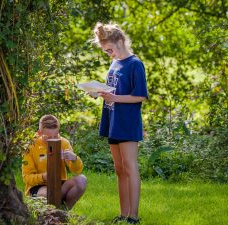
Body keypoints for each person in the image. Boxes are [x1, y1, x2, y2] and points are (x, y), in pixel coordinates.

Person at [93, 22, 148, 224]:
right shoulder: (114, 63)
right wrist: (100, 93)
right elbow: (114, 89)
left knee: (130, 167)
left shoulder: (135, 64)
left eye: (110, 49)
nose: (109, 54)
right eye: (105, 51)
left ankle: (133, 217)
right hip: (112, 119)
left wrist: (114, 98)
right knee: (119, 169)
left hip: (127, 121)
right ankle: (123, 214)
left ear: (120, 41)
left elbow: (140, 96)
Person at [22, 115, 87, 210]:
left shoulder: (64, 143)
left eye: (55, 136)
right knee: (48, 195)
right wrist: (43, 177)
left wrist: (75, 159)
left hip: (60, 184)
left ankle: (64, 212)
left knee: (82, 180)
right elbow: (26, 178)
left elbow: (77, 171)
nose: (52, 139)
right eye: (48, 137)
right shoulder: (30, 146)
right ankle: (51, 214)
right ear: (39, 133)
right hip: (39, 187)